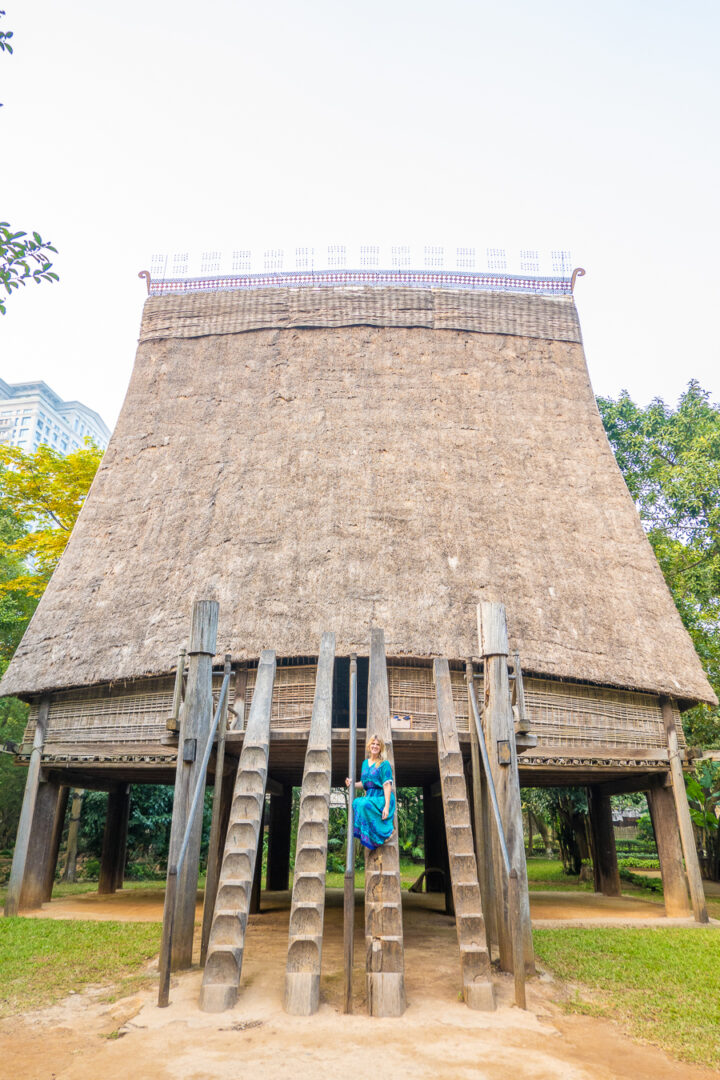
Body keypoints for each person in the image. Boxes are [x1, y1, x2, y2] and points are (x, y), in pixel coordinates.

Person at [345, 733, 395, 850]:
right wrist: (351, 784)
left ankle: (385, 833)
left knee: (363, 803)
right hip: (370, 796)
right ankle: (372, 837)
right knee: (356, 802)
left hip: (382, 797)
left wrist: (386, 807)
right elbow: (364, 783)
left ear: (381, 747)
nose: (375, 746)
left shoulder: (384, 764)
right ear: (369, 746)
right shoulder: (364, 763)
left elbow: (387, 785)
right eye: (373, 743)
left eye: (378, 744)